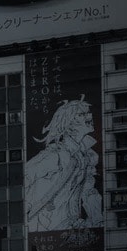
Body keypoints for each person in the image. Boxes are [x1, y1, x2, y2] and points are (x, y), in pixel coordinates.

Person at [25, 97, 103, 233]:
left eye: (88, 113)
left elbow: (88, 191)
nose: (89, 117)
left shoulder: (86, 156)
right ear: (69, 124)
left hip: (70, 226)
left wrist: (97, 220)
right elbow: (25, 176)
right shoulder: (55, 155)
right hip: (46, 225)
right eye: (81, 114)